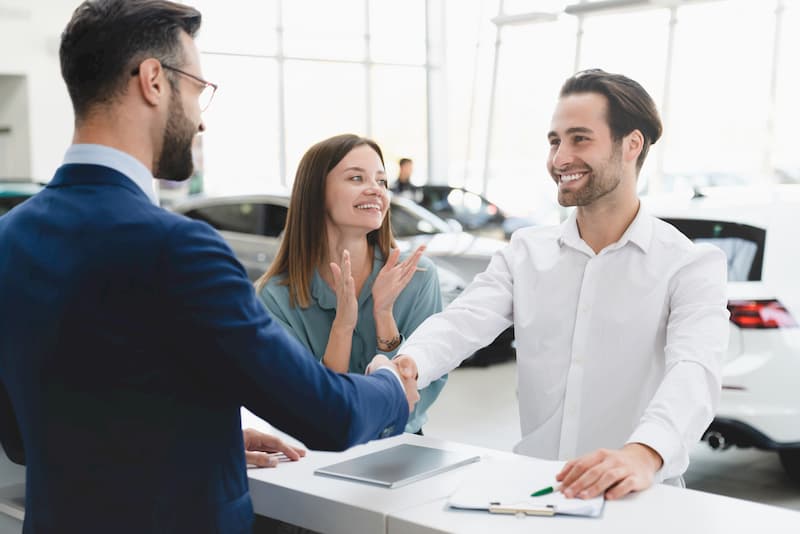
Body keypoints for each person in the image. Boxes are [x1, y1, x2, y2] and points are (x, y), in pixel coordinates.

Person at [0, 2, 418, 533]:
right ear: (154, 81)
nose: (200, 118)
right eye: (198, 88)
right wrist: (392, 390)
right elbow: (326, 414)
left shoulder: (9, 239)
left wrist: (206, 438)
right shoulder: (177, 247)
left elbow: (22, 434)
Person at [373, 69, 729, 501]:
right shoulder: (525, 253)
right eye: (554, 141)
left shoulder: (690, 264)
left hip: (638, 499)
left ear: (631, 145)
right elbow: (464, 320)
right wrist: (411, 362)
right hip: (538, 496)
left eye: (580, 139)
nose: (560, 158)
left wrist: (644, 452)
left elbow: (694, 372)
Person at [257, 134, 447, 434]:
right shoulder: (277, 297)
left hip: (402, 445)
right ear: (316, 193)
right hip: (319, 452)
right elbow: (311, 403)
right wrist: (342, 327)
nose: (375, 189)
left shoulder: (419, 275)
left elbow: (424, 387)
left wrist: (384, 316)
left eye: (382, 181)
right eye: (357, 178)